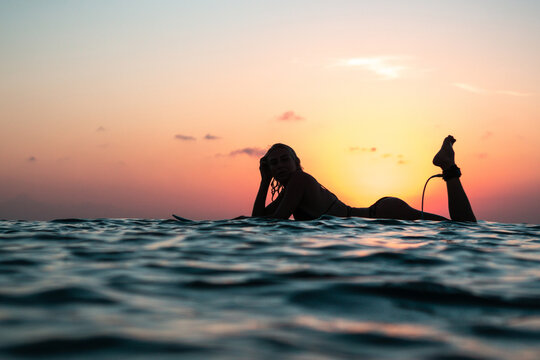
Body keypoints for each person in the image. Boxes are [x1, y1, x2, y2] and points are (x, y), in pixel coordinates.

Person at [251, 136, 476, 222]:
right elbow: (259, 218)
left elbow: (276, 220)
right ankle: (448, 166)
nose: (279, 166)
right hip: (378, 214)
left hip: (381, 215)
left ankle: (449, 165)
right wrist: (264, 182)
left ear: (295, 162)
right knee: (457, 228)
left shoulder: (299, 180)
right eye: (274, 163)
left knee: (463, 228)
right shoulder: (291, 189)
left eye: (284, 160)